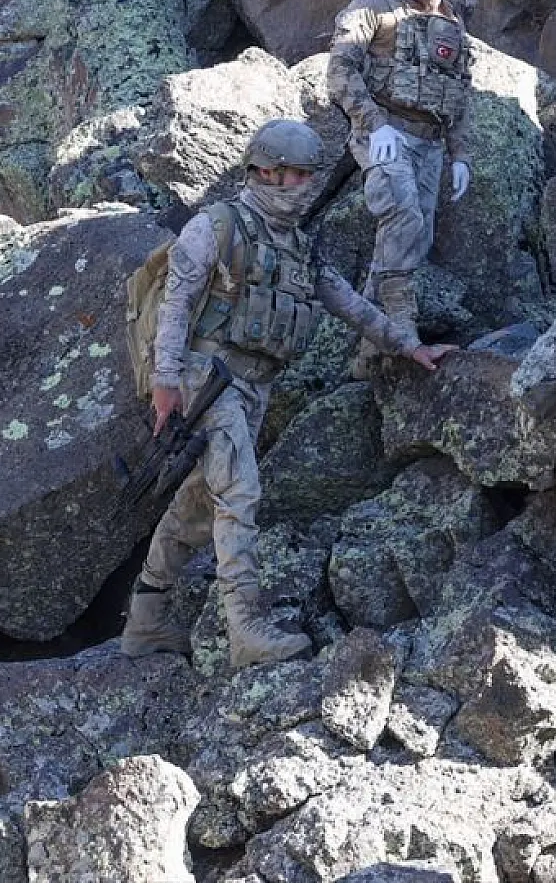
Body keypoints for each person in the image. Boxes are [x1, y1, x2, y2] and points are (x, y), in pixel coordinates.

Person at [120, 119, 452, 668]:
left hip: (253, 387)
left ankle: (145, 620)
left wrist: (408, 346)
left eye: (309, 176)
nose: (307, 186)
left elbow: (348, 303)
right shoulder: (218, 227)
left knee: (201, 505)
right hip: (206, 380)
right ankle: (245, 629)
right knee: (241, 492)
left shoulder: (300, 246)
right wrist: (165, 381)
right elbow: (176, 304)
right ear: (268, 172)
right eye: (298, 176)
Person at [328, 0, 474, 375]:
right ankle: (405, 336)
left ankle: (372, 349)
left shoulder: (453, 24)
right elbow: (340, 70)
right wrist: (373, 123)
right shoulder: (373, 7)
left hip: (430, 143)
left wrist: (460, 154)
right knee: (404, 217)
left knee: (411, 240)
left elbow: (460, 96)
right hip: (384, 134)